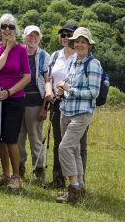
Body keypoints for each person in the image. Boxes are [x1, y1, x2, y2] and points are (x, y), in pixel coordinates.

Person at [55, 27, 102, 203]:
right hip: (66, 110)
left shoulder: (93, 64)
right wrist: (62, 89)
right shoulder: (75, 61)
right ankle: (80, 186)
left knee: (65, 148)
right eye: (77, 42)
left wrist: (70, 89)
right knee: (73, 149)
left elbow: (93, 93)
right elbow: (69, 82)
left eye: (83, 42)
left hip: (82, 113)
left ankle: (73, 189)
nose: (80, 44)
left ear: (89, 45)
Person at [0, 14, 31, 190]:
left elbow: (27, 77)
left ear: (15, 30)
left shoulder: (22, 50)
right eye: (4, 26)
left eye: (11, 27)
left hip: (14, 99)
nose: (7, 30)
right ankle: (5, 175)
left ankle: (16, 176)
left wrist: (9, 92)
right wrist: (7, 49)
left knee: (10, 138)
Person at [44, 23, 80, 189]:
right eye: (62, 35)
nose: (65, 38)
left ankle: (78, 182)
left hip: (76, 105)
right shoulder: (55, 56)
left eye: (68, 34)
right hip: (57, 103)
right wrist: (50, 91)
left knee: (76, 145)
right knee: (59, 142)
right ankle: (58, 180)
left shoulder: (79, 56)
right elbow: (48, 78)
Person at [17, 25, 51, 183]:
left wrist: (45, 107)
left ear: (40, 37)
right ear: (24, 36)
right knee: (18, 138)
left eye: (36, 36)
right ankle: (19, 168)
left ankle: (39, 171)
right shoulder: (18, 53)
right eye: (30, 36)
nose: (33, 38)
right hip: (17, 101)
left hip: (35, 103)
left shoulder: (44, 56)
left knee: (35, 138)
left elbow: (47, 81)